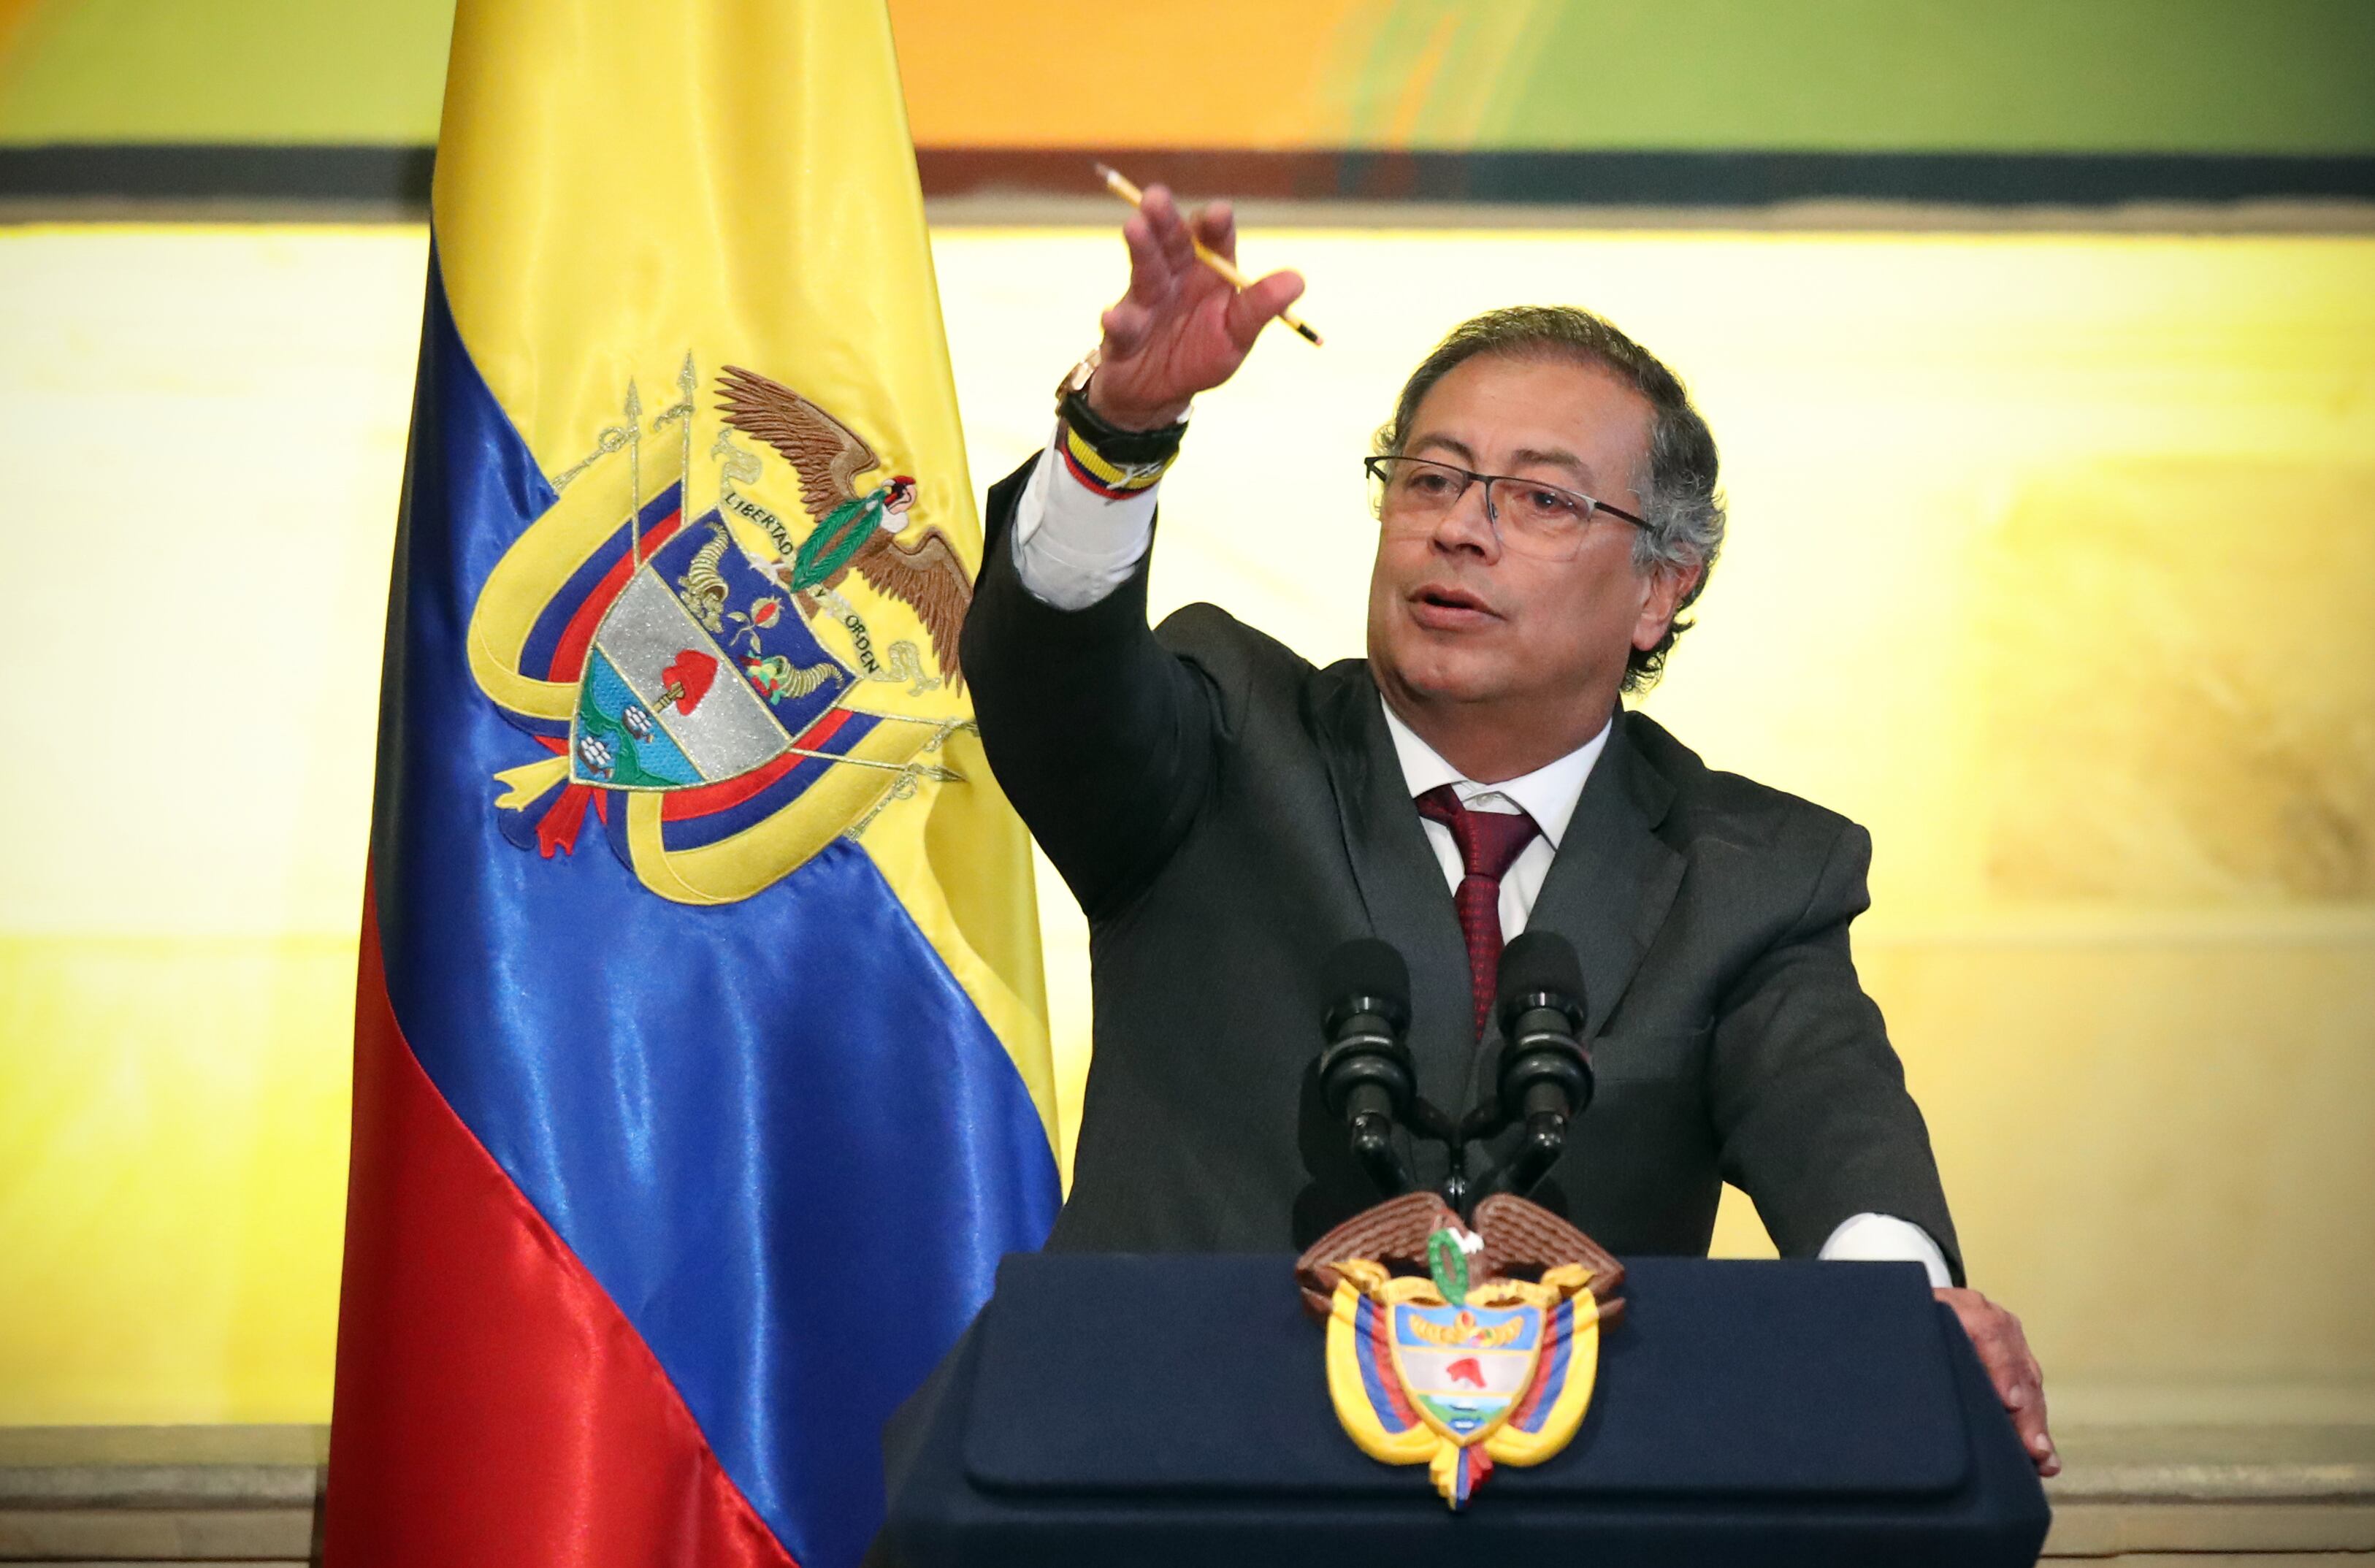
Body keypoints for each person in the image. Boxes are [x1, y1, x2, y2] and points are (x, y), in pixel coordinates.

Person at [958, 186, 2056, 1475]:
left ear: (1660, 587)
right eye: (1430, 476)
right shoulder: (1221, 743)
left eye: (1541, 501)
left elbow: (1831, 1116)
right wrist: (1118, 434)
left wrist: (1902, 1312)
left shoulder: (1754, 873)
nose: (1460, 525)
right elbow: (1048, 680)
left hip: (1570, 1504)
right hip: (1171, 1476)